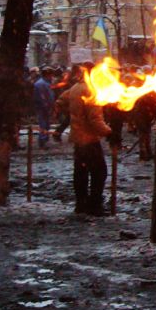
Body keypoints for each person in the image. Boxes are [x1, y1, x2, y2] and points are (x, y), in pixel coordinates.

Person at [57, 74, 111, 216]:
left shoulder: (75, 88)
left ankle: (81, 204)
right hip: (89, 139)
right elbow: (95, 119)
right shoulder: (92, 91)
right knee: (99, 172)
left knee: (80, 172)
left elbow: (61, 101)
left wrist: (74, 116)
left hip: (78, 138)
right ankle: (94, 206)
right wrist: (109, 133)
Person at [33, 69, 55, 148]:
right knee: (43, 124)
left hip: (47, 106)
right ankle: (42, 141)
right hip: (42, 107)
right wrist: (46, 106)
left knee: (46, 124)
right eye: (51, 75)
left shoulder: (46, 83)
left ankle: (44, 139)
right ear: (47, 75)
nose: (52, 77)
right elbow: (42, 97)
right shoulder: (40, 84)